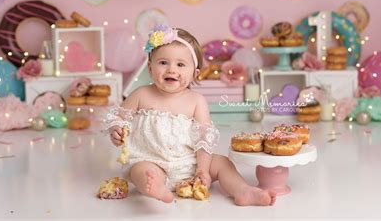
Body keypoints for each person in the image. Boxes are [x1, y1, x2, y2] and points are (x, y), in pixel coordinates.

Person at [106, 26, 275, 206]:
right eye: (163, 62)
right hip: (151, 160)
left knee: (222, 163)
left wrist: (203, 170)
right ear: (150, 67)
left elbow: (204, 139)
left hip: (189, 163)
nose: (171, 69)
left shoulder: (196, 101)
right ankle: (155, 186)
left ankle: (242, 190)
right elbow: (118, 117)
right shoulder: (140, 94)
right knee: (140, 170)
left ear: (194, 72)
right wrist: (116, 129)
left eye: (180, 64)